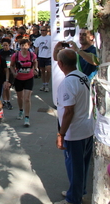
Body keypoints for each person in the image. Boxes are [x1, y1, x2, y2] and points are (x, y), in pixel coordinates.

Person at [54, 49, 94, 204]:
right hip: (87, 128)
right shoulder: (82, 76)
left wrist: (61, 134)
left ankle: (73, 199)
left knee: (75, 168)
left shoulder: (68, 82)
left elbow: (69, 111)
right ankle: (78, 191)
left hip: (75, 132)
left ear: (60, 64)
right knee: (82, 165)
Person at [9, 39, 38, 127]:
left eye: (25, 45)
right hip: (19, 79)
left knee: (27, 98)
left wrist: (35, 69)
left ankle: (27, 117)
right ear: (20, 46)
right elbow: (11, 65)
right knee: (20, 97)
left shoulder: (32, 55)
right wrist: (14, 73)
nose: (24, 47)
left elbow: (35, 62)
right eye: (22, 45)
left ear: (28, 46)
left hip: (29, 78)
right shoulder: (16, 55)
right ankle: (21, 110)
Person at [0, 38, 16, 110]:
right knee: (3, 87)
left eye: (6, 45)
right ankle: (4, 101)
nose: (5, 46)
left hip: (10, 72)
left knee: (7, 87)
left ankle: (8, 101)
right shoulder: (0, 52)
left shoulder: (13, 52)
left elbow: (15, 62)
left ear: (9, 45)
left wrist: (14, 70)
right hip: (2, 71)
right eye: (3, 45)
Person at [34, 26, 52, 92]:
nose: (42, 31)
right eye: (41, 30)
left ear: (47, 31)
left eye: (44, 30)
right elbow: (36, 48)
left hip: (49, 57)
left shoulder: (50, 38)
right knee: (42, 71)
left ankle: (47, 84)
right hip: (41, 56)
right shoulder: (38, 39)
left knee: (49, 70)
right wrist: (35, 57)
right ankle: (43, 84)